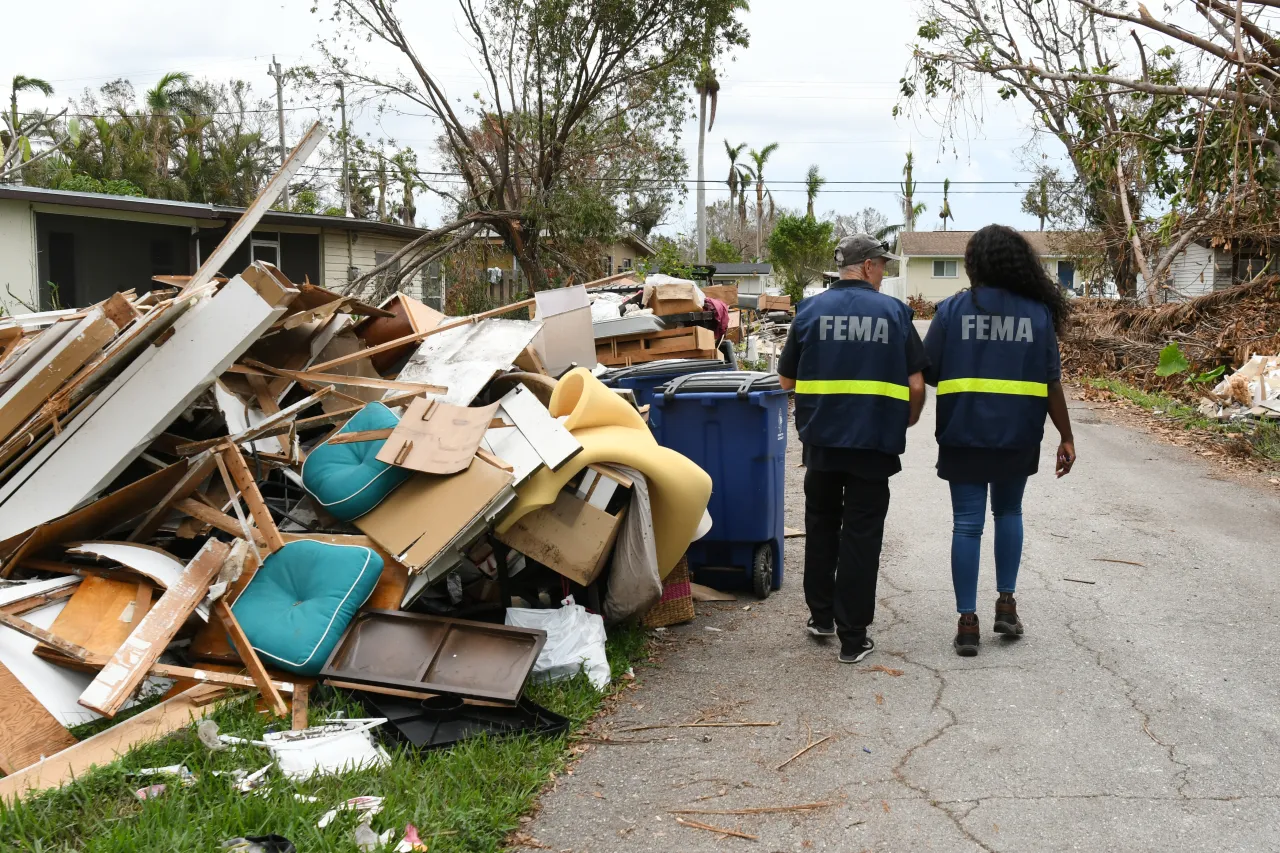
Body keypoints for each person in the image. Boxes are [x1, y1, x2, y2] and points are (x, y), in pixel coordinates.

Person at [921, 224, 1076, 657]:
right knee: (1009, 512)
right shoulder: (1037, 313)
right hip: (1017, 435)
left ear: (975, 264)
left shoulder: (951, 310)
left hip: (963, 433)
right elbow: (1051, 382)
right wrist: (1066, 435)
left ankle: (967, 623)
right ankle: (1005, 604)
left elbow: (930, 371)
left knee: (967, 525)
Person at [777, 234, 928, 664]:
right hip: (874, 445)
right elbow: (917, 385)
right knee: (862, 535)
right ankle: (852, 637)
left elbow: (786, 382)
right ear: (865, 267)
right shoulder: (896, 313)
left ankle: (821, 617)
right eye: (881, 265)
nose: (883, 273)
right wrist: (908, 417)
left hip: (822, 443)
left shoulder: (808, 311)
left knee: (822, 526)